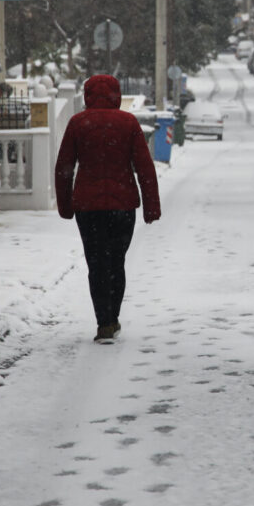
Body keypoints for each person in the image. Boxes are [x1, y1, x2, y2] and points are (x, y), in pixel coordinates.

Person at [55, 74, 161, 342]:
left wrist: (65, 205)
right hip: (122, 206)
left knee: (96, 263)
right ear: (117, 95)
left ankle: (103, 321)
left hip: (88, 208)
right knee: (116, 262)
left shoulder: (78, 123)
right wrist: (151, 206)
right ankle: (112, 317)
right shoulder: (128, 123)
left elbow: (64, 168)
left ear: (87, 95)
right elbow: (144, 167)